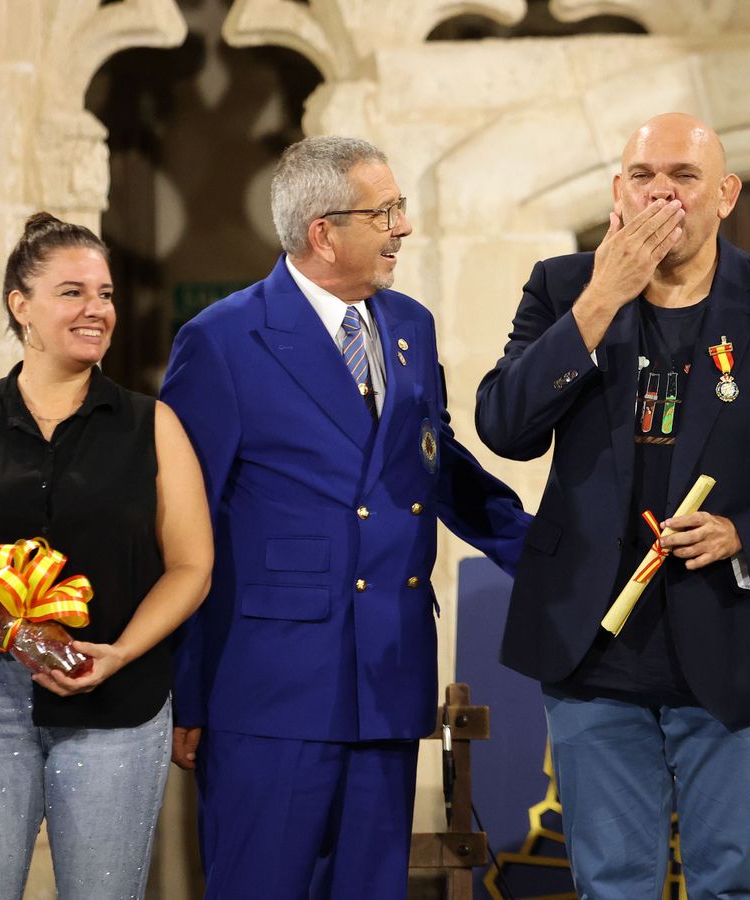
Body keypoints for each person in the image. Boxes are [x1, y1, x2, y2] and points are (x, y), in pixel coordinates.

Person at [476, 113, 750, 899]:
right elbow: (504, 428)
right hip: (591, 649)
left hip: (733, 640)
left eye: (684, 177)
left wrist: (740, 534)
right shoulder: (562, 286)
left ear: (726, 195)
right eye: (645, 176)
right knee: (612, 883)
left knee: (730, 885)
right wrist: (600, 299)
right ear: (618, 191)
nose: (663, 193)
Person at [159, 135, 528, 899]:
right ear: (324, 231)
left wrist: (543, 547)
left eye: (400, 208)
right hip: (269, 689)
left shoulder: (410, 326)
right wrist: (186, 695)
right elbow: (179, 522)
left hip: (386, 676)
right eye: (385, 211)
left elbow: (432, 462)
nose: (403, 227)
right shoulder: (223, 340)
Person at [0, 212, 214, 899]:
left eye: (105, 294)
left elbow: (192, 566)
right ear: (21, 306)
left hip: (117, 701)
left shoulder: (153, 425)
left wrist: (121, 653)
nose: (97, 309)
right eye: (73, 292)